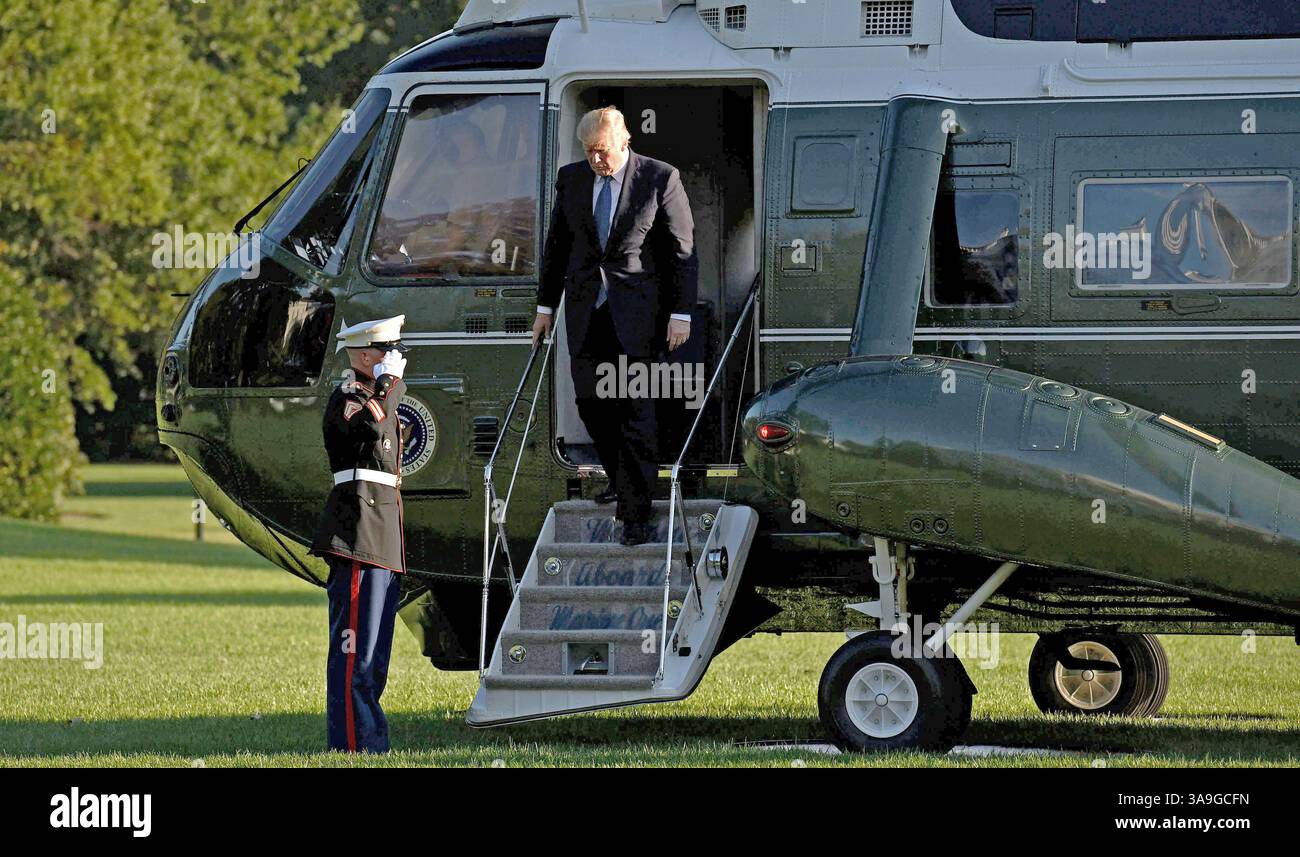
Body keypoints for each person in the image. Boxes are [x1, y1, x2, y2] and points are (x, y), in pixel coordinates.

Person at [532, 106, 698, 545]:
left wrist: (681, 314)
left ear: (624, 140)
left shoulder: (660, 177)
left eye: (602, 151)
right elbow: (557, 246)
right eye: (589, 152)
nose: (596, 160)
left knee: (634, 412)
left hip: (639, 316)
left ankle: (635, 513)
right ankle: (621, 478)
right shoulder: (570, 180)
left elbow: (683, 251)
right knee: (591, 404)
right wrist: (545, 307)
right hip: (587, 311)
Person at [309, 315, 409, 752]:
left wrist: (389, 389)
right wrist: (389, 387)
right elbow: (375, 433)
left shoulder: (377, 396)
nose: (396, 357)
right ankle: (352, 745)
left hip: (382, 535)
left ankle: (370, 742)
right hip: (359, 532)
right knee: (355, 654)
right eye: (389, 349)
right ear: (367, 354)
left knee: (374, 655)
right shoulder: (350, 395)